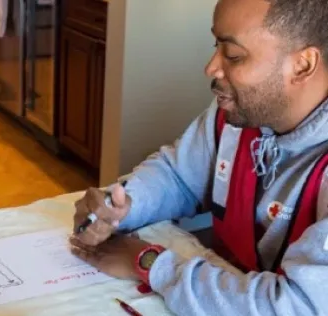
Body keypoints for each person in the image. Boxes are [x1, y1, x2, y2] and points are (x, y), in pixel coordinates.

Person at [70, 0, 328, 315]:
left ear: (303, 65)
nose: (211, 67)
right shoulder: (239, 116)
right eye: (216, 46)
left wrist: (151, 263)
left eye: (233, 55)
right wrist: (120, 207)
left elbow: (297, 307)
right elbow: (179, 176)